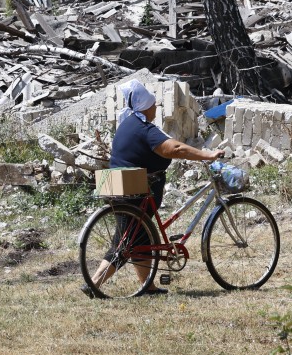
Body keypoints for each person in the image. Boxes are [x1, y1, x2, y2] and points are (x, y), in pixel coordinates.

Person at [82, 79, 223, 298]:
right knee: (125, 243)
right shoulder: (144, 128)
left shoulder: (128, 123)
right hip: (134, 191)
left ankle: (147, 286)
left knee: (141, 239)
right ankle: (94, 283)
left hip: (118, 186)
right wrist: (208, 154)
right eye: (154, 104)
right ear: (145, 106)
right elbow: (173, 148)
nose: (156, 107)